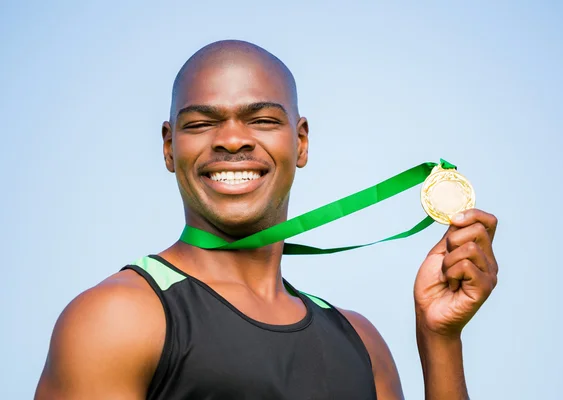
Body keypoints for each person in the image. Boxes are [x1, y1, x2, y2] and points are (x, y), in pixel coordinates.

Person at [35, 40, 499, 400]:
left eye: (261, 120)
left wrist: (440, 340)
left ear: (300, 143)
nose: (233, 139)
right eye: (200, 124)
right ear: (169, 146)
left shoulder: (361, 343)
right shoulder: (118, 318)